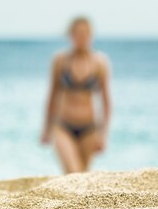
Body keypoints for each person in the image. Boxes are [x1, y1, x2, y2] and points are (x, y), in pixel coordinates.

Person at [41, 17, 112, 173]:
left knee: (82, 177)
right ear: (70, 35)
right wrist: (46, 129)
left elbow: (106, 102)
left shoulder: (100, 63)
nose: (81, 37)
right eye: (77, 33)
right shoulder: (60, 61)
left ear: (91, 35)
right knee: (73, 172)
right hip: (63, 126)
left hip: (89, 129)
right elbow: (52, 96)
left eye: (85, 33)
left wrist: (103, 134)